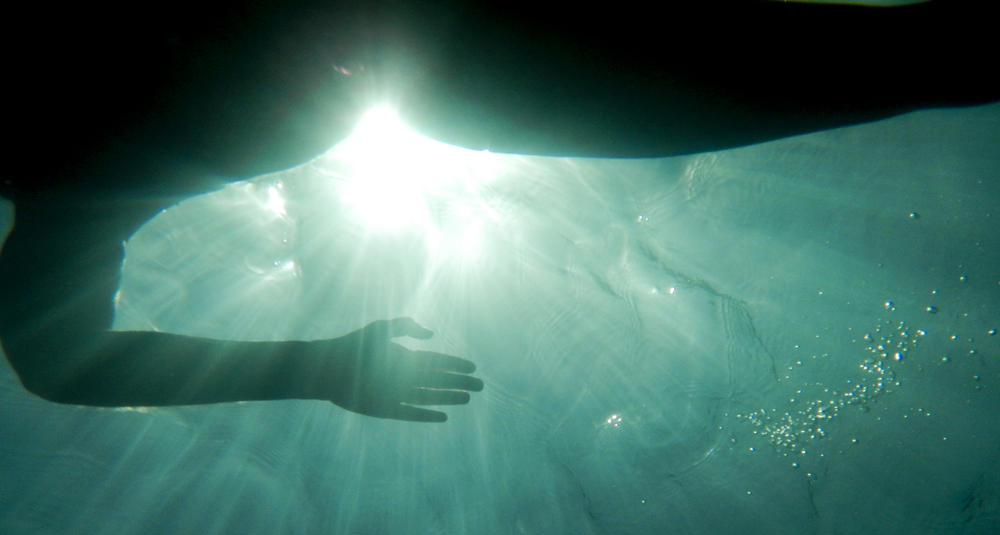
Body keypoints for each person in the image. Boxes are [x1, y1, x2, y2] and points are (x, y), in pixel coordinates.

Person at [1, 0, 995, 421]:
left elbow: (58, 364)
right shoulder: (66, 189)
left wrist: (314, 368)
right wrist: (314, 367)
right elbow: (56, 364)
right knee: (907, 63)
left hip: (411, 57)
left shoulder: (64, 186)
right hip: (420, 58)